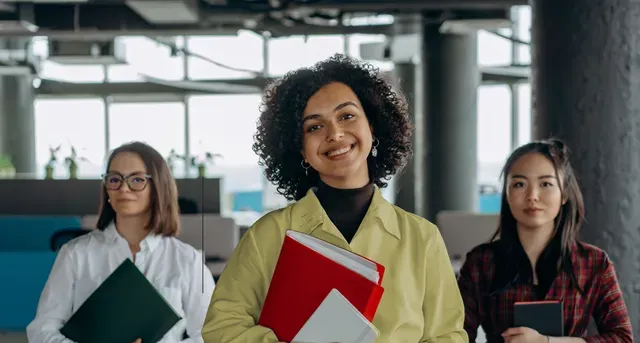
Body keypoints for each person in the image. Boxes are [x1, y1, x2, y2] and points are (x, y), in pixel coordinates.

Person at [201, 54, 467, 342]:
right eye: (314, 127)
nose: (335, 133)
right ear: (300, 149)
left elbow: (447, 335)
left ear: (372, 127)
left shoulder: (422, 238)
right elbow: (222, 328)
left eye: (347, 116)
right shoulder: (267, 236)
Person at [27, 141, 215, 343]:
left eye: (136, 180)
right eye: (115, 179)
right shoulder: (75, 254)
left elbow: (212, 335)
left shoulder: (188, 260)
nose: (123, 188)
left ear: (158, 188)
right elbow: (42, 330)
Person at [457, 139, 633, 343]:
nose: (532, 196)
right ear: (506, 193)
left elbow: (622, 338)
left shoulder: (593, 262)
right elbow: (457, 335)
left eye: (546, 184)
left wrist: (547, 342)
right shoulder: (481, 262)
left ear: (564, 193)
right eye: (519, 184)